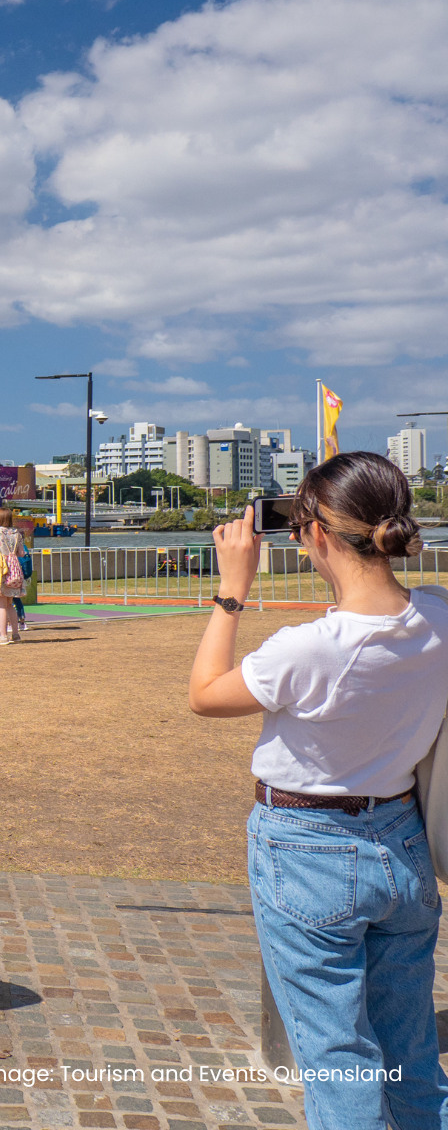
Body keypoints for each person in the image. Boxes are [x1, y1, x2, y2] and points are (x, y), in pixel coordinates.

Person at [188, 452, 448, 1128]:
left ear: (316, 535)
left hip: (307, 849)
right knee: (412, 1053)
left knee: (340, 1059)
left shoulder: (309, 648)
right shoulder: (440, 620)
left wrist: (231, 591)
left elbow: (205, 695)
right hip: (402, 840)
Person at [0, 506, 27, 644]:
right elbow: (21, 553)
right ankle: (15, 634)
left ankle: (3, 636)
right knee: (9, 604)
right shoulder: (17, 533)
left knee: (1, 604)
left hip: (1, 570)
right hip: (14, 571)